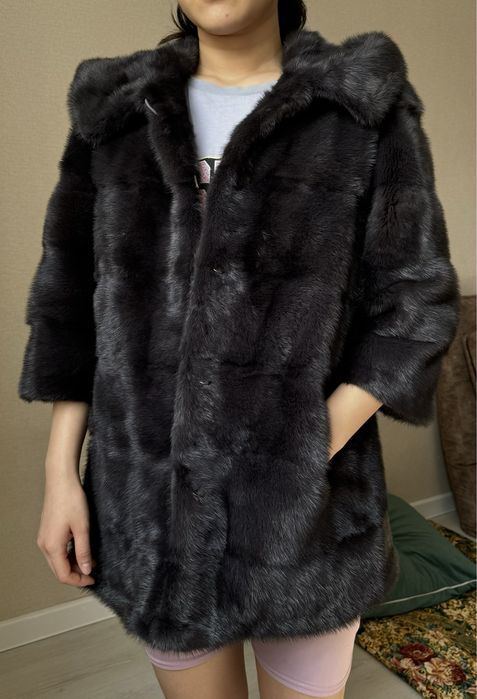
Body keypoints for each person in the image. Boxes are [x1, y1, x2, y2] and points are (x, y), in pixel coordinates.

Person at [18, 1, 460, 698]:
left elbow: (414, 305)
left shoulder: (359, 108)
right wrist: (59, 475)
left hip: (305, 524)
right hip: (149, 514)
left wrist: (301, 450)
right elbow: (69, 308)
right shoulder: (116, 115)